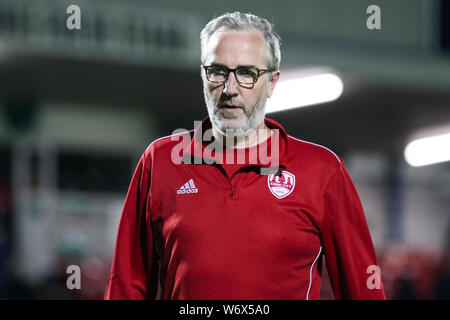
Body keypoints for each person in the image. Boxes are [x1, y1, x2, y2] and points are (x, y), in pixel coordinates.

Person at [104, 11, 386, 300]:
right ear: (203, 75)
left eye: (247, 74)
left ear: (272, 83)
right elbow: (126, 286)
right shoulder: (160, 162)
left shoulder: (322, 172)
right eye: (217, 71)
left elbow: (364, 292)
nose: (230, 89)